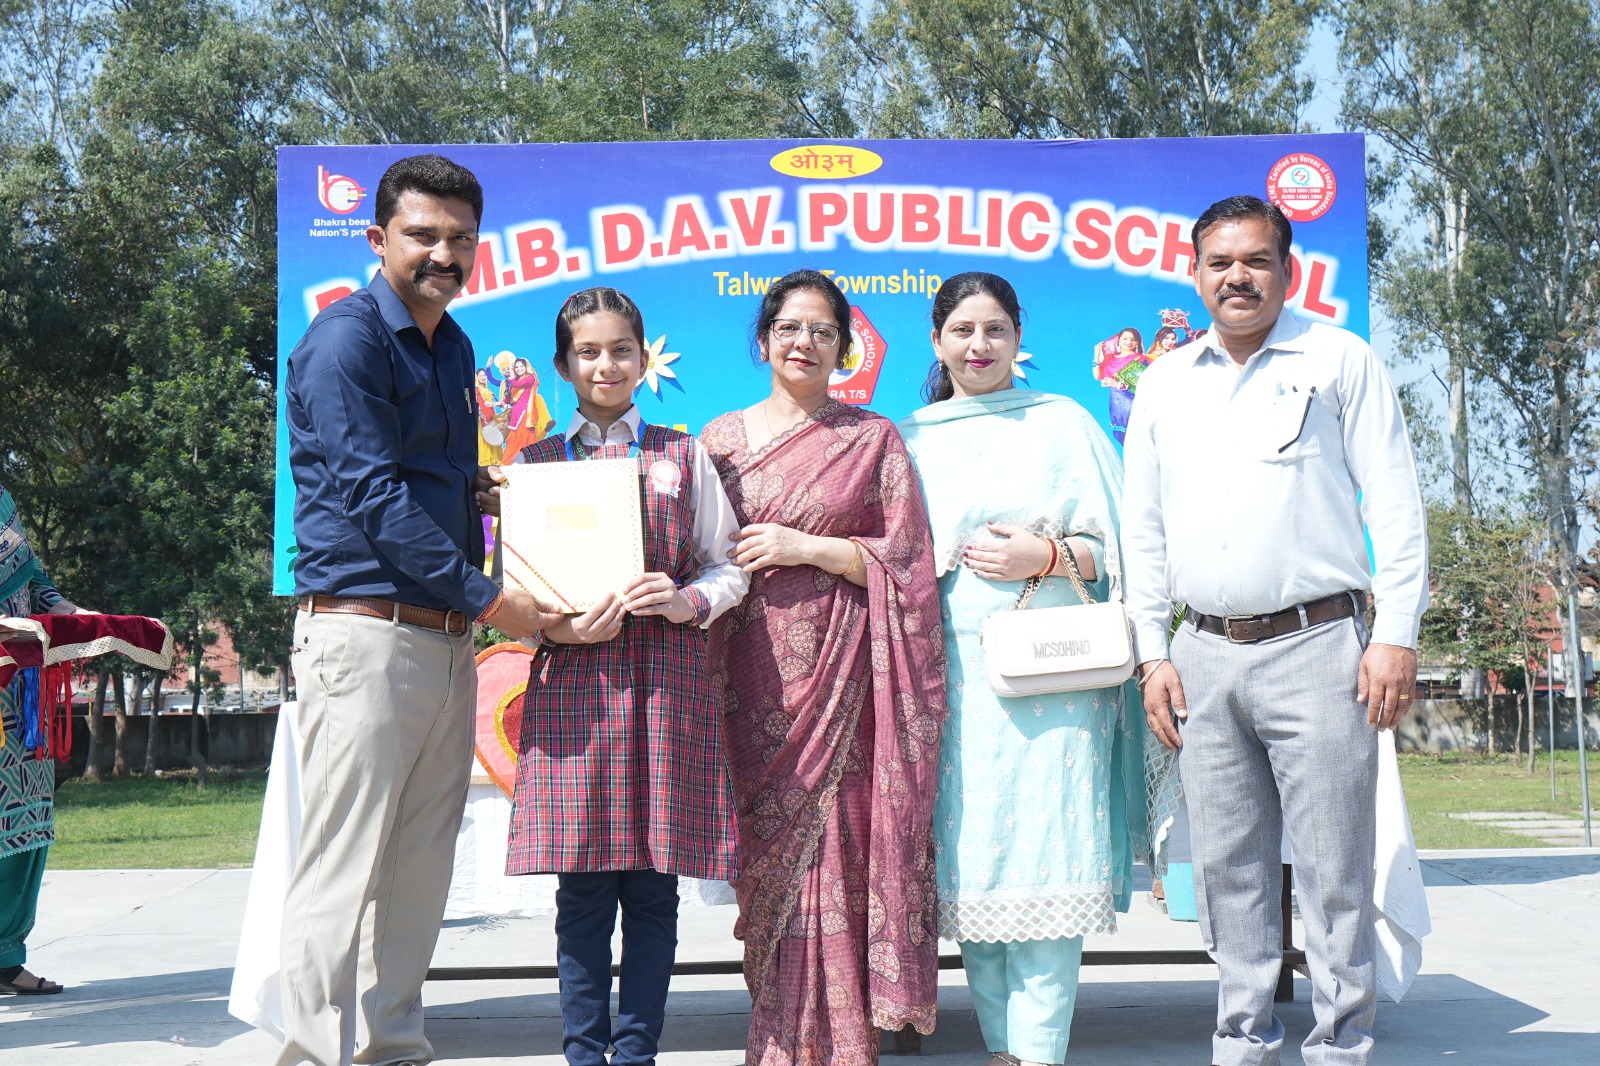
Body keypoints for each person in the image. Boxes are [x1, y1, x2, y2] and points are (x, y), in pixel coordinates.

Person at [1122, 195, 1427, 1066]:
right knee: (1229, 868)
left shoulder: (1338, 359)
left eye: (1256, 260)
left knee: (1334, 868)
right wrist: (1151, 653)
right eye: (1220, 262)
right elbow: (1143, 528)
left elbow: (1395, 504)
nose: (1238, 277)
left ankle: (1341, 1046)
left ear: (1287, 271)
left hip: (1321, 648)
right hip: (1201, 654)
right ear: (1195, 274)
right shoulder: (1165, 381)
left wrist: (1395, 634)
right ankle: (1242, 1040)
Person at [278, 153, 557, 1066]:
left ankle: (392, 1043)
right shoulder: (346, 342)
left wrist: (500, 492)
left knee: (421, 862)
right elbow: (373, 496)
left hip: (441, 637)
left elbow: (433, 476)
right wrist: (494, 599)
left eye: (461, 238)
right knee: (343, 863)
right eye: (423, 235)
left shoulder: (455, 344)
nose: (444, 253)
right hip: (363, 632)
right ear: (377, 239)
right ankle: (312, 1053)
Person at [898, 273, 1159, 1066]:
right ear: (937, 340)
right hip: (954, 685)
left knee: (1049, 861)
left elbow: (1120, 553)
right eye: (962, 330)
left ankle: (1039, 1053)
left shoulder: (1064, 424)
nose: (979, 346)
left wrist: (1043, 554)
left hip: (1056, 683)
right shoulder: (910, 439)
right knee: (973, 872)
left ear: (1018, 337)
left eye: (995, 330)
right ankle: (1002, 1051)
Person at [492, 287, 749, 1066]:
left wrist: (686, 600)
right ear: (563, 364)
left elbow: (729, 566)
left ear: (643, 358)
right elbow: (508, 591)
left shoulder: (682, 455)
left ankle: (636, 1054)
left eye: (621, 350)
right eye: (589, 352)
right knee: (582, 892)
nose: (606, 365)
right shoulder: (531, 467)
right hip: (574, 692)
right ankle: (583, 1053)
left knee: (652, 890)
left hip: (665, 689)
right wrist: (554, 627)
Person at [699, 269, 947, 1065]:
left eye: (823, 331)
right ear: (764, 338)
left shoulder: (873, 439)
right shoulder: (718, 441)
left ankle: (841, 1040)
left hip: (845, 685)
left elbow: (909, 563)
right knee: (769, 858)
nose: (804, 342)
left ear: (845, 348)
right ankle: (780, 1026)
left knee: (836, 849)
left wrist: (807, 547)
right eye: (789, 327)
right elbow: (691, 552)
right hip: (750, 681)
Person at [0, 484, 86, 997]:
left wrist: (80, 619)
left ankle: (5, 957)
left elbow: (34, 580)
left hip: (20, 698)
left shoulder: (3, 501)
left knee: (23, 828)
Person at [501, 355, 554, 457]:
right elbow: (511, 397)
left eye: (521, 366)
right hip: (516, 414)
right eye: (516, 367)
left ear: (526, 367)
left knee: (525, 438)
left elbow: (517, 385)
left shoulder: (530, 378)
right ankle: (510, 462)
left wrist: (511, 373)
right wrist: (500, 402)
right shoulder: (516, 380)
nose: (519, 369)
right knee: (514, 439)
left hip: (525, 414)